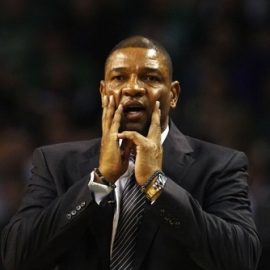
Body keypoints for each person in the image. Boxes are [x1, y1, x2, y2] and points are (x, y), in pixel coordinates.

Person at [1, 36, 261, 270]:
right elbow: (17, 257)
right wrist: (99, 182)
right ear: (104, 93)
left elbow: (241, 259)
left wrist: (157, 185)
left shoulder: (220, 165)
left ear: (173, 94)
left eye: (150, 77)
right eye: (119, 77)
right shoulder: (56, 163)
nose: (133, 88)